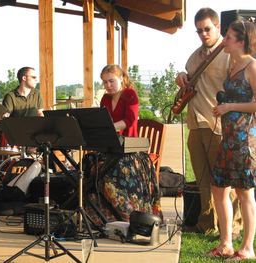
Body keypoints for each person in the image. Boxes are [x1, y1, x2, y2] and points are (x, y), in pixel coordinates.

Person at [175, 8, 242, 236]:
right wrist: (181, 78)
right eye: (199, 30)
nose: (203, 34)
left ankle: (232, 227)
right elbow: (187, 78)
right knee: (203, 179)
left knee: (224, 180)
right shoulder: (194, 56)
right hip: (195, 123)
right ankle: (206, 223)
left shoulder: (229, 54)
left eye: (207, 29)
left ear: (218, 28)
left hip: (219, 125)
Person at [85, 64, 162, 225]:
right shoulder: (105, 98)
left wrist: (110, 127)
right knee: (89, 164)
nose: (108, 85)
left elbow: (130, 120)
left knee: (117, 167)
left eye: (111, 81)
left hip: (131, 150)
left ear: (121, 79)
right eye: (105, 82)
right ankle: (100, 214)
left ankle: (125, 213)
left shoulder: (130, 95)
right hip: (111, 147)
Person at [208, 20, 256, 261]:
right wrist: (223, 107)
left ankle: (247, 247)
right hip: (228, 139)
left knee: (244, 192)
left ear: (241, 41)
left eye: (227, 36)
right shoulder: (232, 65)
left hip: (244, 140)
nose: (223, 40)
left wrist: (230, 106)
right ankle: (226, 243)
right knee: (218, 188)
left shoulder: (252, 66)